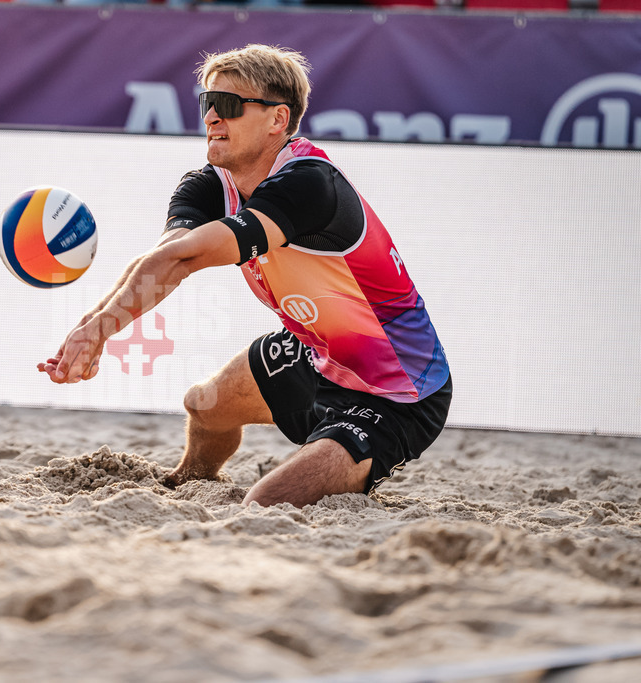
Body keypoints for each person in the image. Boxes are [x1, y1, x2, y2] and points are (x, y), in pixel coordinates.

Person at [38, 44, 451, 508]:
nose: (213, 116)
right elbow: (165, 259)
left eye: (230, 106)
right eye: (207, 103)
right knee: (204, 406)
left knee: (265, 501)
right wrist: (94, 328)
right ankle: (188, 481)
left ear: (278, 119)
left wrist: (97, 331)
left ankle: (342, 457)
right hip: (315, 352)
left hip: (396, 389)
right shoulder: (207, 185)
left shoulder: (309, 184)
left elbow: (181, 261)